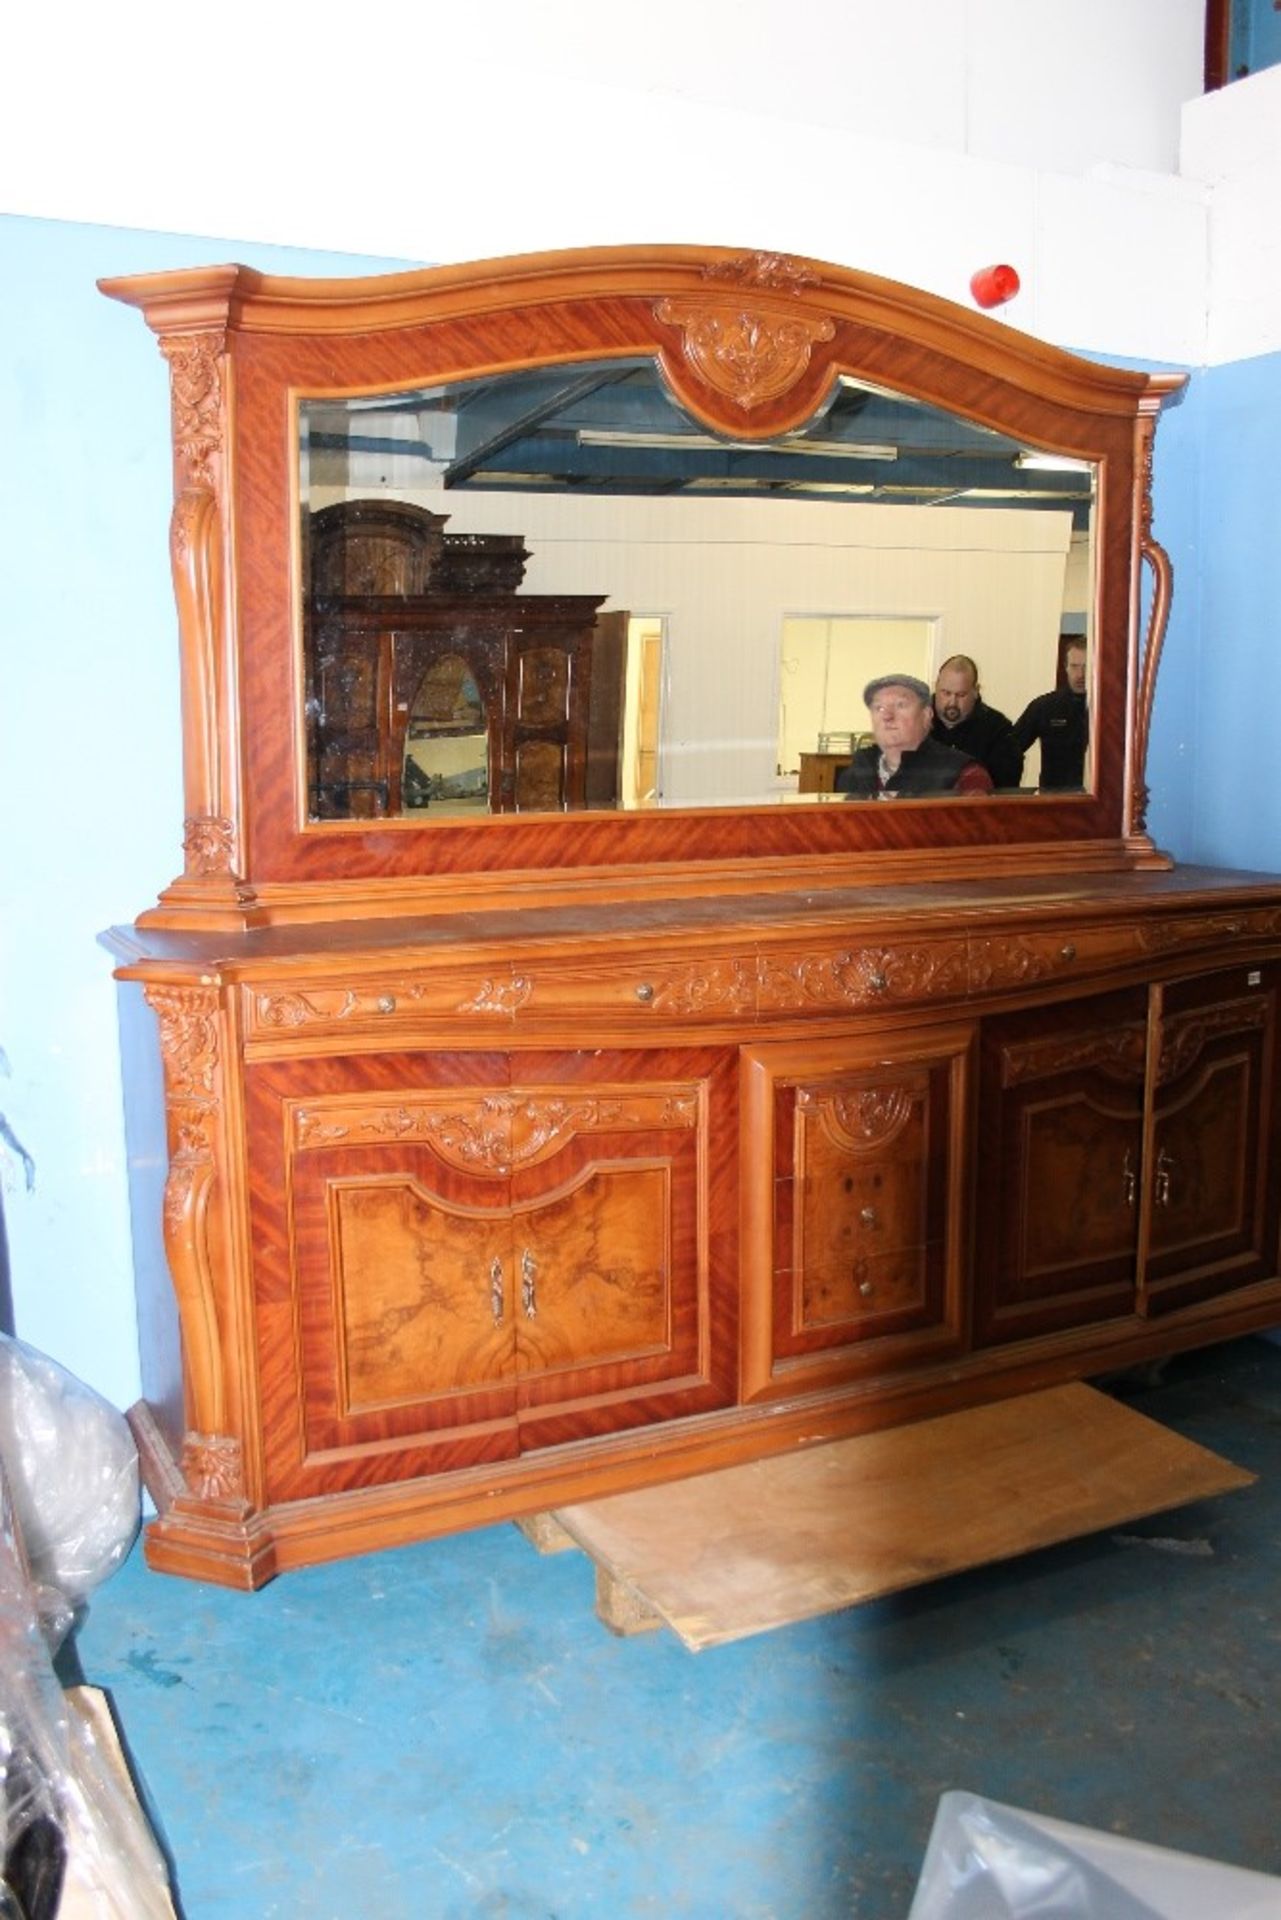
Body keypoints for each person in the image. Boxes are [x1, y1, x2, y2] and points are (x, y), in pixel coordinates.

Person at [836, 673, 994, 799]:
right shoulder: (857, 772)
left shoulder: (965, 774)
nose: (887, 716)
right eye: (879, 708)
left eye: (900, 705)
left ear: (926, 715)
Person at [932, 654, 1024, 790]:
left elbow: (1006, 789)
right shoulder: (913, 722)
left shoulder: (998, 729)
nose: (952, 702)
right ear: (936, 686)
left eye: (961, 695)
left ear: (976, 691)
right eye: (946, 693)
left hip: (977, 809)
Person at [1010, 641, 1089, 791]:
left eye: (1086, 667)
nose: (1080, 674)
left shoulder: (1108, 711)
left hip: (1098, 800)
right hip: (1054, 800)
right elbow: (1009, 751)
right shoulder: (1045, 707)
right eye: (1074, 666)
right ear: (1065, 667)